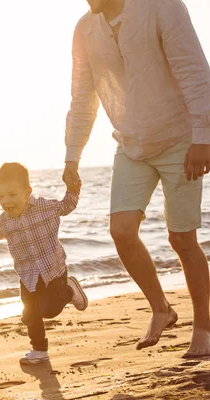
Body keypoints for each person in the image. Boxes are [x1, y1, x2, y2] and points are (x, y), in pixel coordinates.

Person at [63, 0, 210, 357]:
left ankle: (204, 328)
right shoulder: (85, 30)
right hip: (131, 145)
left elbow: (194, 71)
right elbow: (83, 97)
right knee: (121, 231)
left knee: (182, 239)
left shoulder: (162, 7)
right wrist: (72, 154)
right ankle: (162, 309)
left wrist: (203, 136)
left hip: (180, 140)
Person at [0, 162, 88, 364]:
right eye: (1, 196)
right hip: (27, 275)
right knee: (30, 313)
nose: (6, 201)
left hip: (53, 270)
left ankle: (70, 290)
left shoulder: (44, 207)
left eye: (12, 195)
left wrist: (73, 189)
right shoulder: (5, 220)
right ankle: (39, 350)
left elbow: (67, 205)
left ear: (27, 192)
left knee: (49, 310)